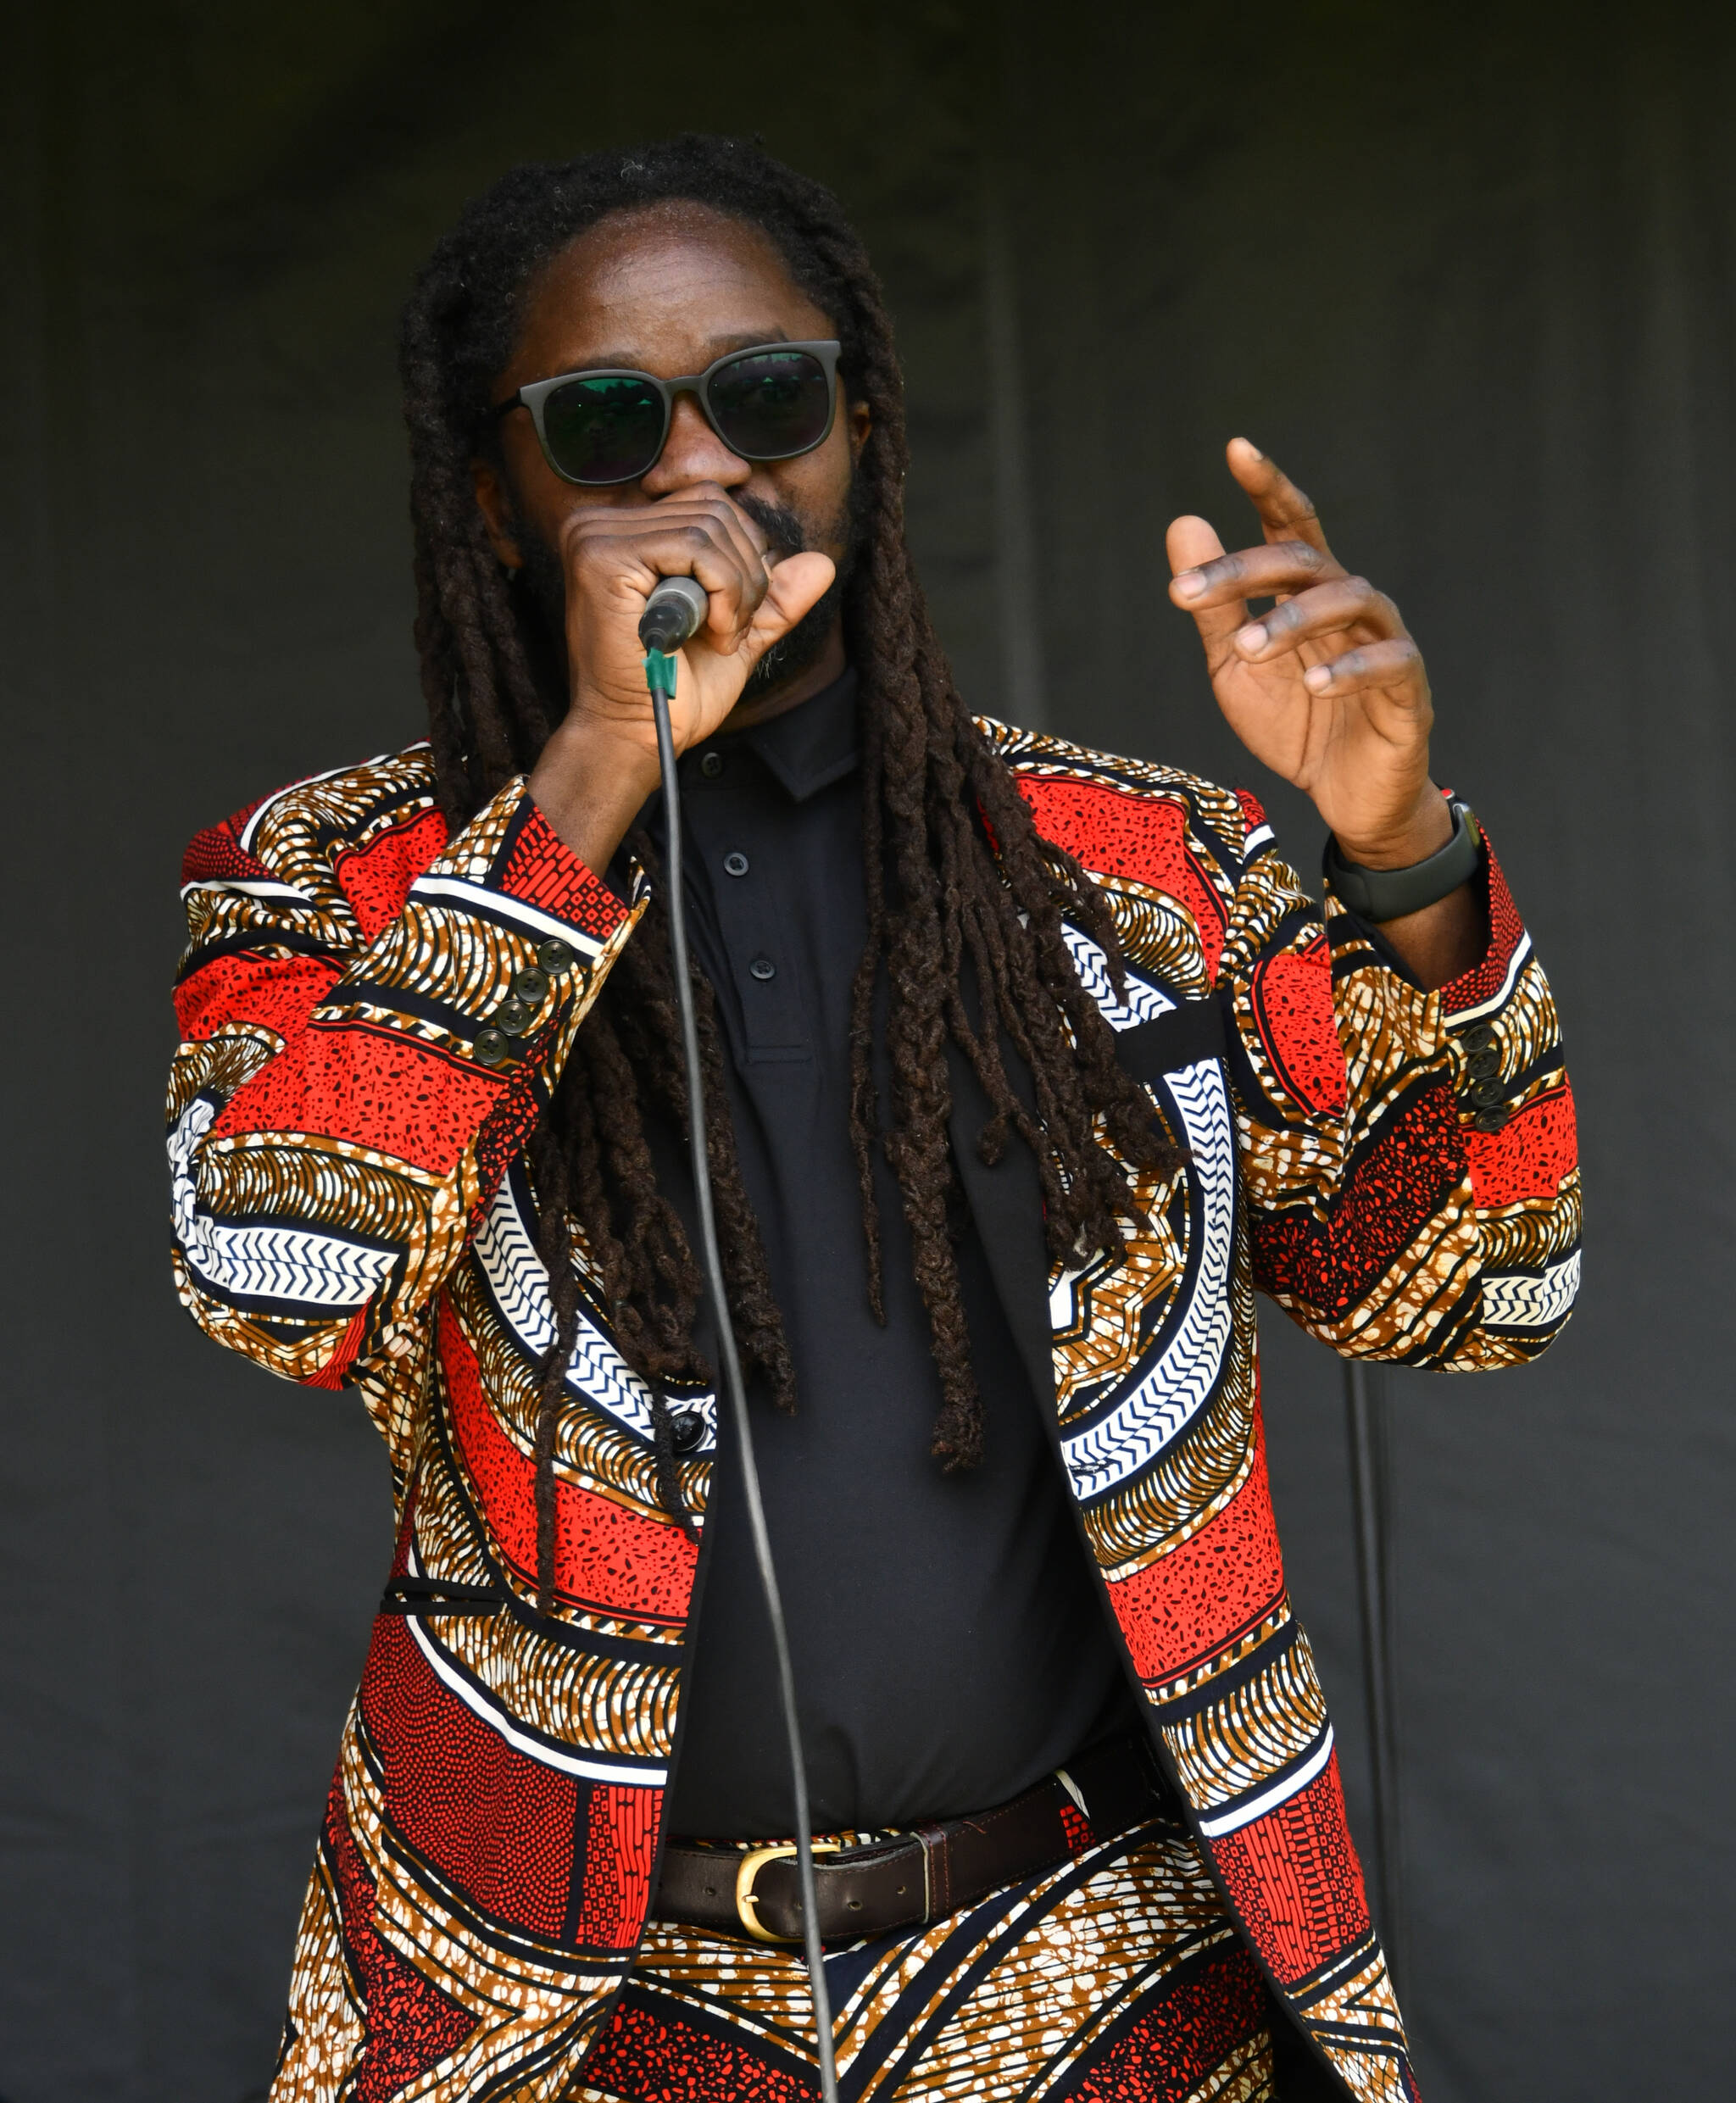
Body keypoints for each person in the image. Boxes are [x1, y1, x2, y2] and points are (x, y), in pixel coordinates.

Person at [165, 136, 1579, 2103]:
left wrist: (1399, 847)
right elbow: (278, 1277)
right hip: (566, 2017)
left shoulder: (1140, 864)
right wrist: (594, 770)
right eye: (606, 422)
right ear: (495, 496)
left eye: (766, 395)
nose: (701, 465)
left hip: (1102, 1973)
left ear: (859, 431)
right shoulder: (330, 877)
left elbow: (1477, 1288)